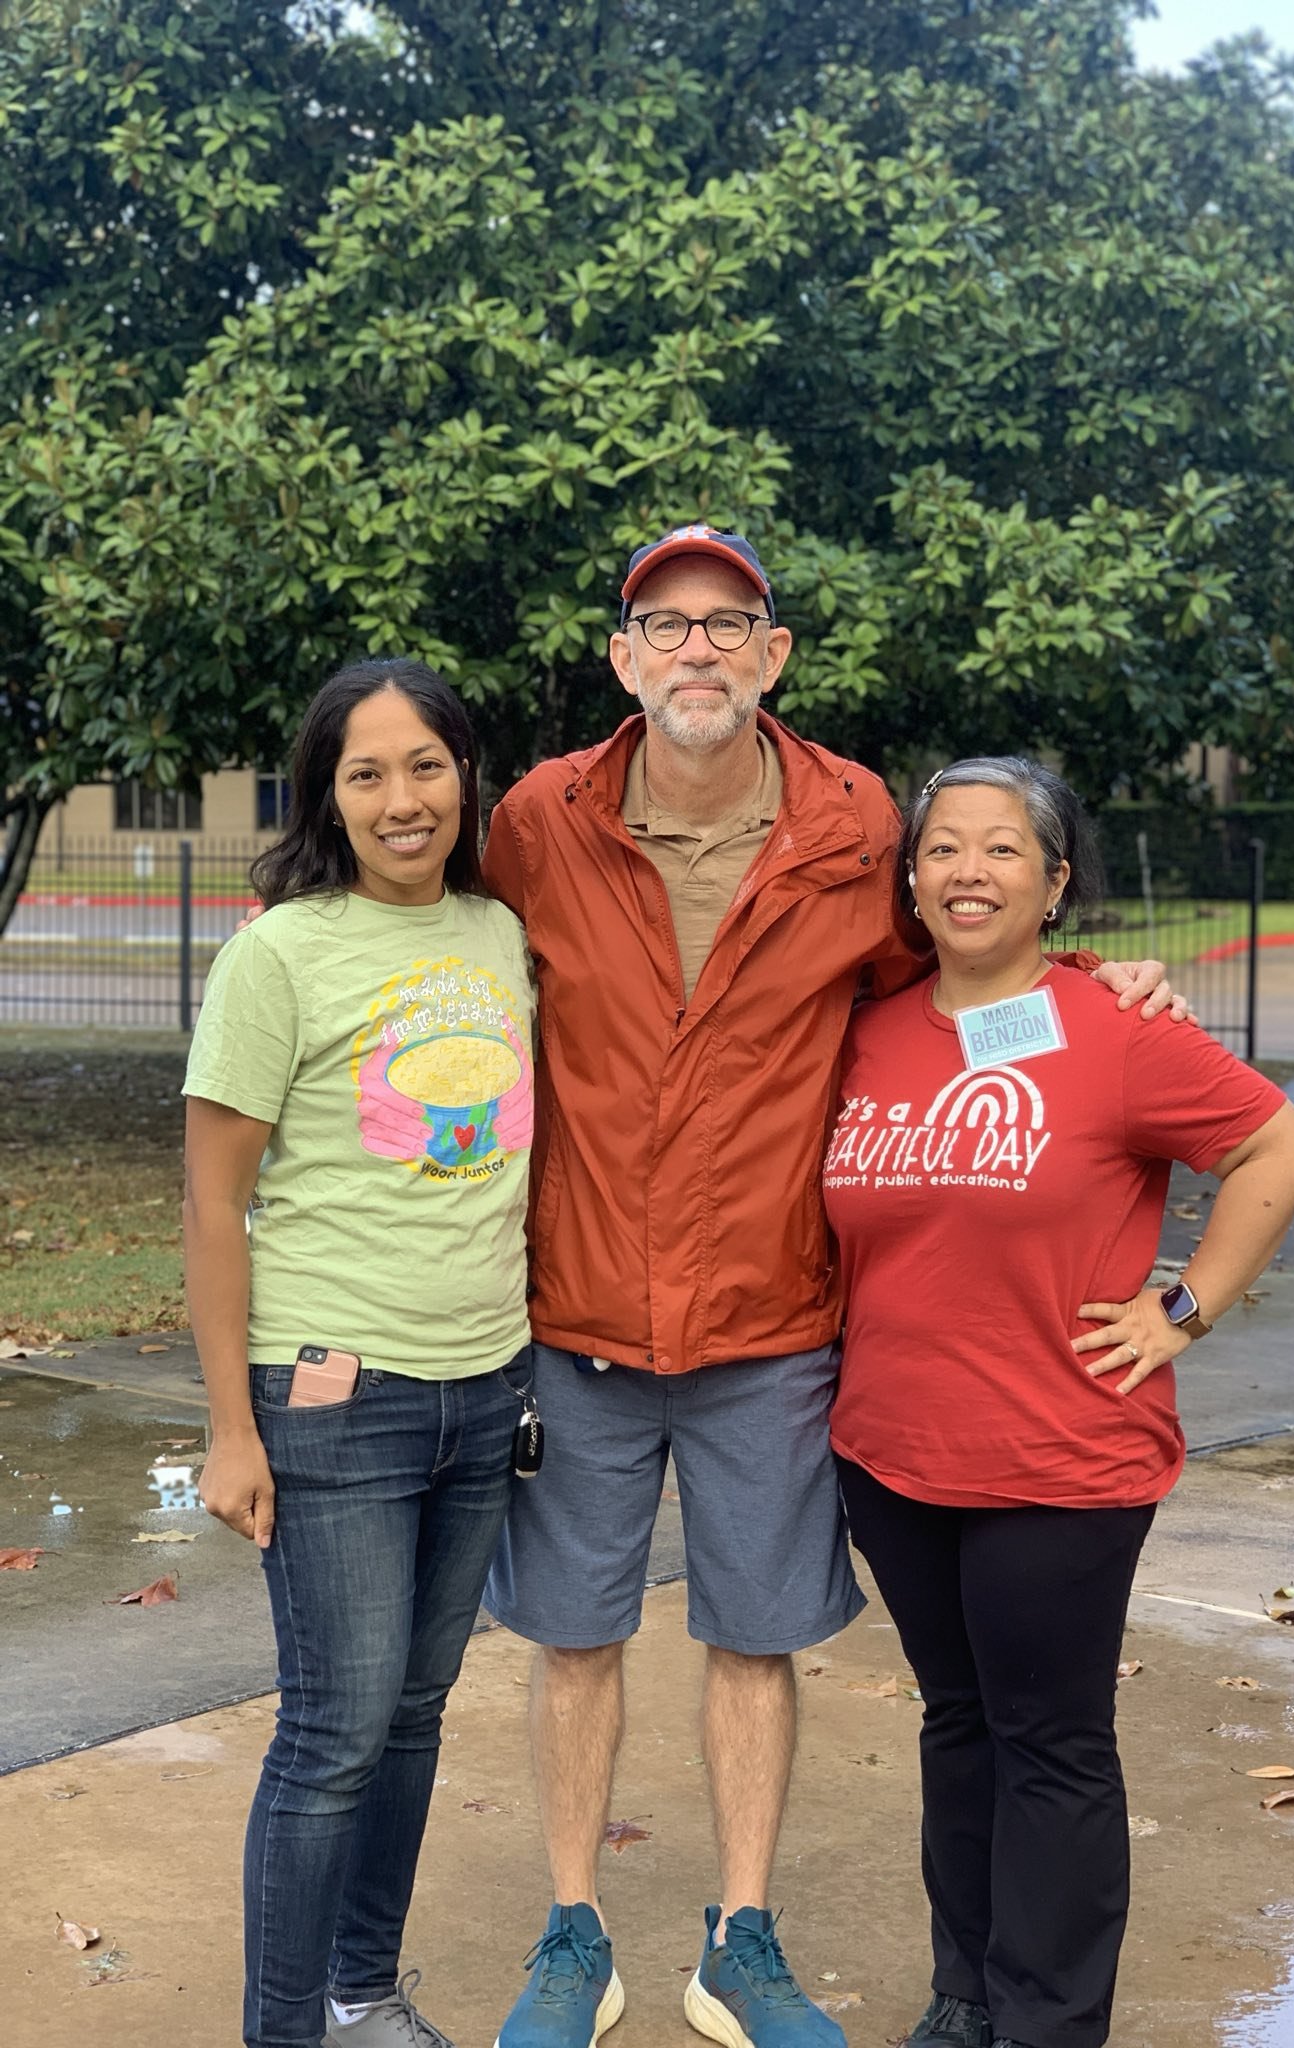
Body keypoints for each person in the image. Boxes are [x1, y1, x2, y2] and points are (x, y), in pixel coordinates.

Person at [479, 527, 1187, 2048]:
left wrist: (1098, 982)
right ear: (622, 659)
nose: (697, 653)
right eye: (664, 626)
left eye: (728, 624)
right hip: (582, 1315)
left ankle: (741, 1937)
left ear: (774, 653)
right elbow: (451, 950)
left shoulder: (857, 819)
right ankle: (571, 1935)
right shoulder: (541, 818)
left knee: (754, 1632)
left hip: (772, 1320)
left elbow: (962, 955)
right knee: (576, 1633)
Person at [823, 756, 1294, 2048]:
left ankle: (1047, 2021)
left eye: (1002, 850)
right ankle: (967, 1989)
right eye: (942, 848)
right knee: (959, 1724)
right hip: (892, 1454)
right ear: (912, 879)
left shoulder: (1112, 1026)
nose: (968, 871)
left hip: (1061, 1460)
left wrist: (1183, 1311)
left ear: (1055, 884)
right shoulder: (866, 1026)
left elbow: (1279, 1145)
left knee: (1049, 1742)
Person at [185, 659, 539, 2048]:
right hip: (335, 1397)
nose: (404, 799)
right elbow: (217, 1199)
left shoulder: (506, 933)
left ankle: (361, 1991)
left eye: (427, 765)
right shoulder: (281, 953)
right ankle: (285, 2031)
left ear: (465, 775)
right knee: (333, 1733)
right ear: (328, 794)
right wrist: (230, 1426)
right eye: (368, 773)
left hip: (487, 1385)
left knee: (414, 1715)